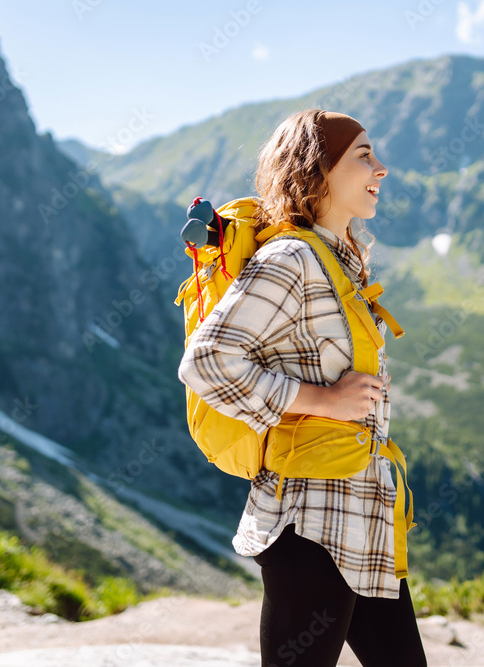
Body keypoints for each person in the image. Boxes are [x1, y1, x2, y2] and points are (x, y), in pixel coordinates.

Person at [177, 109, 427, 666]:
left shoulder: (337, 262)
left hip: (360, 517)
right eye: (363, 155)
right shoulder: (290, 258)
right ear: (318, 170)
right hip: (309, 525)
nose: (381, 168)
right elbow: (208, 360)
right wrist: (323, 401)